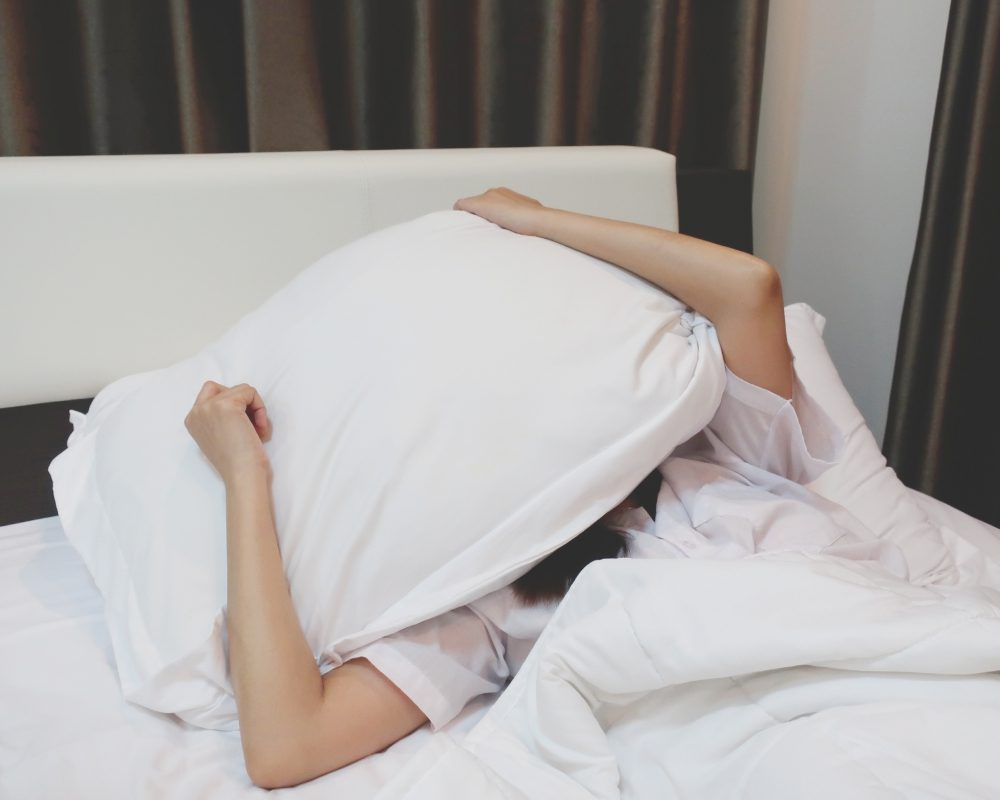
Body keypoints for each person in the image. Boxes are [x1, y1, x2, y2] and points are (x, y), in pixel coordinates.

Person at [184, 187, 857, 790]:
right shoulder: (484, 603)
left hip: (873, 675)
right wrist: (246, 476)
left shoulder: (724, 440)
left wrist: (536, 221)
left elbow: (749, 286)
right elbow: (284, 746)